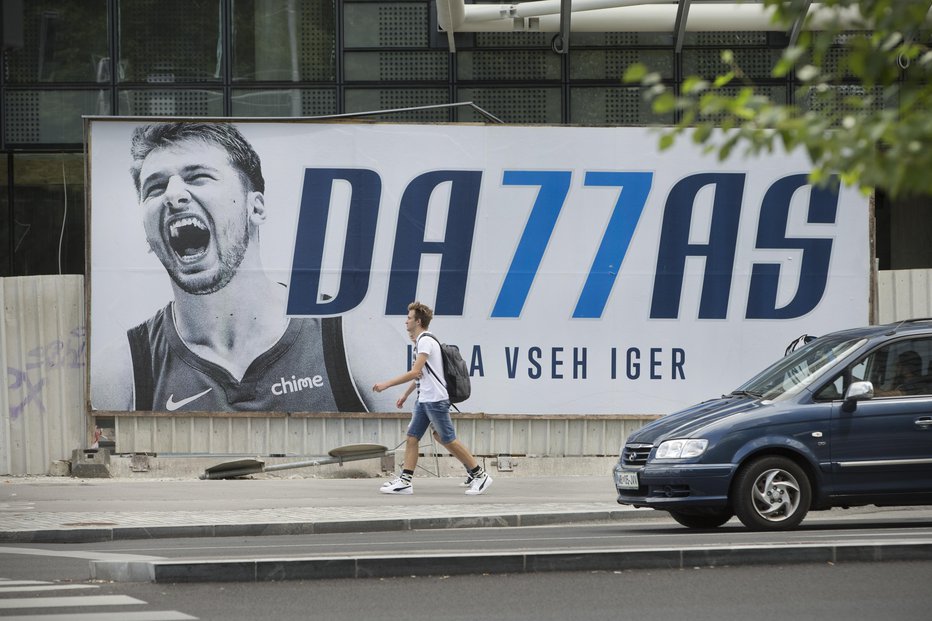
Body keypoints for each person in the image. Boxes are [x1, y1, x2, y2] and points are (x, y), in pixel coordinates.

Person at [93, 122, 364, 413]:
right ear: (149, 233)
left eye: (197, 177)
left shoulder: (353, 342)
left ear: (256, 208)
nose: (172, 195)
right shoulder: (122, 372)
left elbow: (413, 452)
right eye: (155, 188)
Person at [372, 301, 492, 495]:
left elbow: (415, 372)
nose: (406, 322)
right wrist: (405, 394)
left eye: (409, 318)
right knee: (412, 437)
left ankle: (480, 475)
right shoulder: (421, 342)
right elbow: (421, 376)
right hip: (424, 400)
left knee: (447, 439)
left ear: (418, 321)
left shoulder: (425, 341)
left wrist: (386, 384)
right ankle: (405, 481)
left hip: (435, 400)